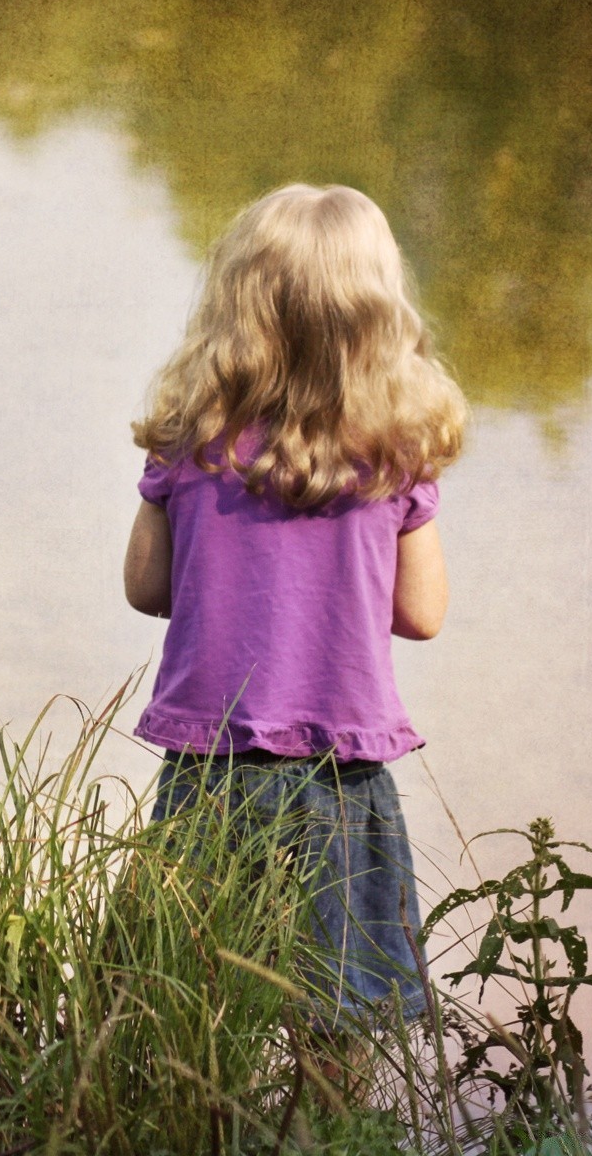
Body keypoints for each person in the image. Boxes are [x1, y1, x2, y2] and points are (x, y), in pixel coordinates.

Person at [122, 184, 465, 1028]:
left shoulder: (193, 440)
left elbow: (146, 590)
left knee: (195, 1007)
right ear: (380, 314)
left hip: (213, 768)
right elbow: (422, 614)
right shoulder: (393, 456)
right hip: (338, 773)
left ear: (235, 305)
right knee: (339, 1014)